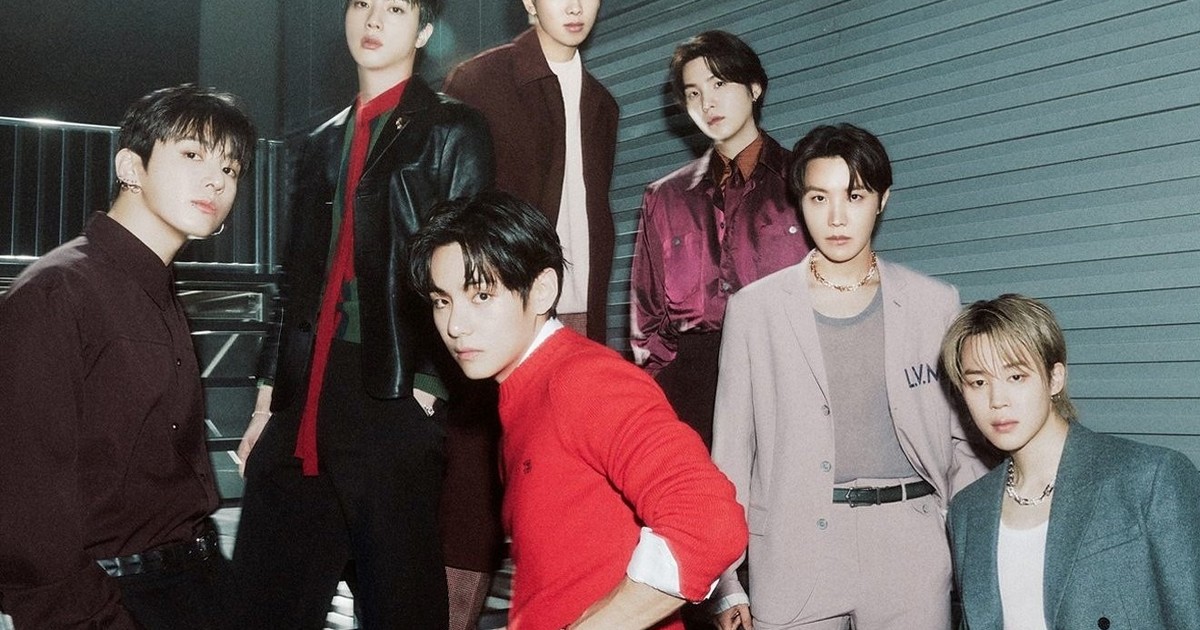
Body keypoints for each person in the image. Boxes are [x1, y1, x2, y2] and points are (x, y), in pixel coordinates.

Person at [231, 0, 492, 627]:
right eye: (362, 4)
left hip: (393, 384)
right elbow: (294, 281)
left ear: (423, 30)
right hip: (304, 389)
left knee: (399, 601)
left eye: (395, 7)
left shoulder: (454, 129)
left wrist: (428, 386)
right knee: (263, 597)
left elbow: (470, 263)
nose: (373, 20)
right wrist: (266, 402)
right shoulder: (321, 142)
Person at [407, 191, 748, 630]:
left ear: (542, 290)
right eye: (442, 301)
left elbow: (709, 523)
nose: (455, 325)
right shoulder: (520, 393)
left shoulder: (583, 380)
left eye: (482, 295)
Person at [709, 123, 989, 630]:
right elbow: (730, 453)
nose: (836, 217)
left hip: (910, 548)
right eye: (819, 197)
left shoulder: (934, 304)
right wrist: (725, 579)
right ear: (800, 203)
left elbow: (964, 440)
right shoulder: (755, 310)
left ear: (882, 200)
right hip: (794, 553)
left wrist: (960, 538)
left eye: (854, 196)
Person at [0, 83, 256, 629]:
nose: (217, 179)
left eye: (231, 168)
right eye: (193, 154)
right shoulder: (56, 293)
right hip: (113, 601)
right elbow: (27, 510)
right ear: (130, 167)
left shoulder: (158, 291)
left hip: (197, 585)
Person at [942, 294, 1200, 629]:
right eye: (978, 382)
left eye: (1016, 377)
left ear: (1055, 378)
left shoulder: (1150, 479)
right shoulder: (968, 510)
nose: (997, 400)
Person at [631, 30, 808, 450]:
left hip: (787, 373)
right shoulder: (664, 197)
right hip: (692, 390)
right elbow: (648, 319)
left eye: (719, 84)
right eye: (693, 93)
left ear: (754, 87)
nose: (706, 103)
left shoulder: (804, 180)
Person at [442, 0, 615, 342]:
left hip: (580, 313)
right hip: (501, 312)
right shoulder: (479, 81)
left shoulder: (603, 105)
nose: (576, 7)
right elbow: (449, 218)